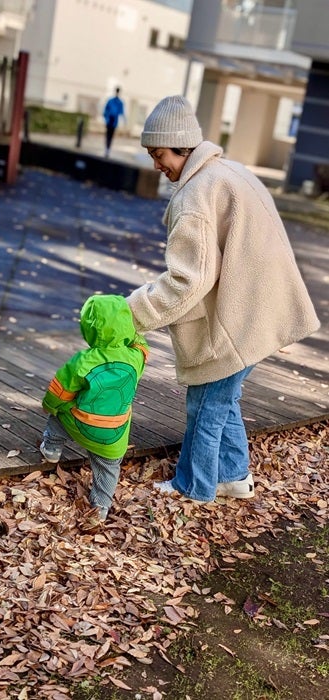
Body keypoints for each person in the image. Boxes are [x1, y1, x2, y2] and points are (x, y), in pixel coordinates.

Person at [126, 95, 320, 504]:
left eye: (159, 154)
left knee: (206, 403)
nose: (156, 165)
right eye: (150, 155)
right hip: (261, 307)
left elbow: (188, 280)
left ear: (182, 147)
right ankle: (233, 476)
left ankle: (192, 487)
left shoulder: (196, 195)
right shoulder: (228, 172)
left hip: (243, 314)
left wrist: (135, 311)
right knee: (223, 396)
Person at [40, 294, 149, 530]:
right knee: (108, 468)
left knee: (57, 418)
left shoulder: (82, 361)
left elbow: (59, 393)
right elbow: (142, 345)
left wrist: (50, 407)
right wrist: (132, 334)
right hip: (114, 434)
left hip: (80, 425)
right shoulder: (135, 359)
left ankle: (51, 449)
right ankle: (100, 508)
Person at [103, 87, 125, 157]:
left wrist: (123, 121)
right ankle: (106, 148)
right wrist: (106, 118)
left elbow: (121, 112)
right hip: (109, 120)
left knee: (111, 136)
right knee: (107, 135)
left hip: (114, 122)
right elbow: (105, 110)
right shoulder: (110, 100)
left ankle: (108, 149)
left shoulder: (120, 102)